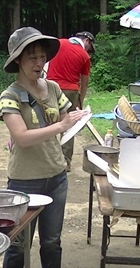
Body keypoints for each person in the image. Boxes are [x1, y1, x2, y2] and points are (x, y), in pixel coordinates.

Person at [0, 27, 88, 268]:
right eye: (32, 57)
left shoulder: (54, 89)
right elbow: (22, 137)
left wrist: (75, 120)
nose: (39, 63)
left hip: (56, 175)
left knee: (52, 241)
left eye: (42, 57)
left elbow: (64, 120)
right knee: (18, 241)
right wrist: (61, 125)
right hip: (24, 180)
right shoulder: (10, 95)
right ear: (18, 61)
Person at [45, 31, 94, 171]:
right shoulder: (84, 55)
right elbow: (84, 83)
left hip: (50, 87)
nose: (88, 50)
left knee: (48, 121)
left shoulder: (58, 43)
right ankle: (65, 162)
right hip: (70, 91)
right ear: (86, 41)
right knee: (68, 126)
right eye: (89, 47)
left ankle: (47, 158)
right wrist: (80, 101)